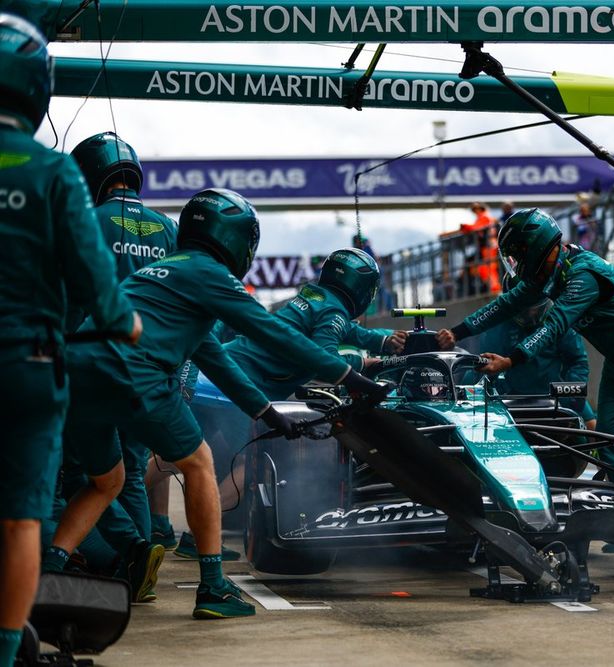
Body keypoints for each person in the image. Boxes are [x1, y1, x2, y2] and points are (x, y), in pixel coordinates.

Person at [46, 188, 388, 620]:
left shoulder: (162, 274)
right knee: (199, 462)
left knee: (105, 482)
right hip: (131, 368)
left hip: (76, 371)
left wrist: (266, 413)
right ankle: (213, 587)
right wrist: (351, 377)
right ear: (238, 240)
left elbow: (215, 357)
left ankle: (50, 570)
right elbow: (273, 332)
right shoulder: (209, 274)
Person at [0, 13, 141, 665]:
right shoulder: (55, 172)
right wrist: (123, 321)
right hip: (28, 365)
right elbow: (99, 287)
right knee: (21, 519)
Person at [149, 248, 406, 554]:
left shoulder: (315, 298)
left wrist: (385, 340)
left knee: (181, 451)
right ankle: (198, 537)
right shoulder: (334, 312)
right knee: (250, 463)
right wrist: (364, 364)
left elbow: (351, 332)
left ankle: (126, 497)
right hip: (236, 387)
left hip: (210, 377)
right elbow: (325, 358)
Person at [436, 208, 614, 459]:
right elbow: (505, 304)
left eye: (517, 255)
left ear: (533, 249)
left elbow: (554, 325)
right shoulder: (549, 275)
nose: (516, 263)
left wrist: (509, 361)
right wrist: (455, 333)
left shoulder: (584, 273)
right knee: (609, 443)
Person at [59, 131, 178, 601]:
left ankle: (115, 557)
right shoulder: (168, 229)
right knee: (130, 472)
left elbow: (66, 300)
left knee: (79, 473)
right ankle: (139, 572)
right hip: (149, 374)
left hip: (89, 368)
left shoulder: (83, 220)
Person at [480, 274, 596, 428]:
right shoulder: (498, 325)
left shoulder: (559, 319)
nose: (530, 313)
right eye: (524, 308)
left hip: (555, 393)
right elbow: (483, 366)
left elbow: (577, 361)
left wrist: (572, 398)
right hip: (510, 396)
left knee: (592, 427)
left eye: (535, 307)